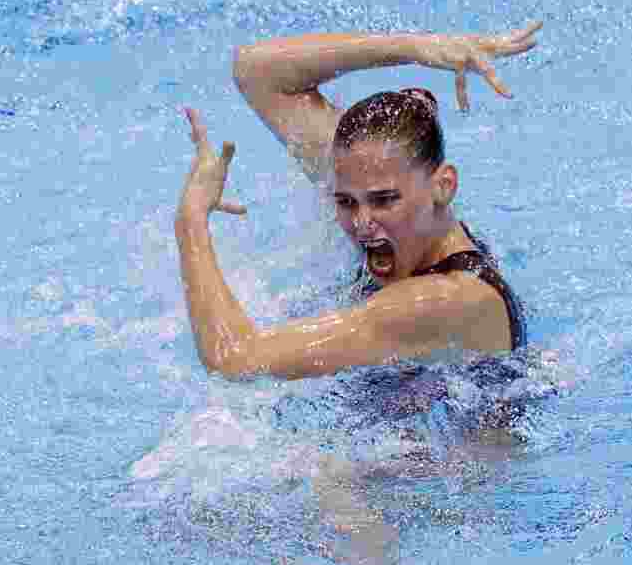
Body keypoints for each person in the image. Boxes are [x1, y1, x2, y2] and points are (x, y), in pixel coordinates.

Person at [175, 21, 542, 382]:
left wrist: (191, 220)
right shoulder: (375, 184)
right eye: (346, 202)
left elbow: (235, 358)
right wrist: (415, 47)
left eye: (384, 201)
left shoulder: (443, 302)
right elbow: (256, 70)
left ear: (443, 186)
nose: (362, 222)